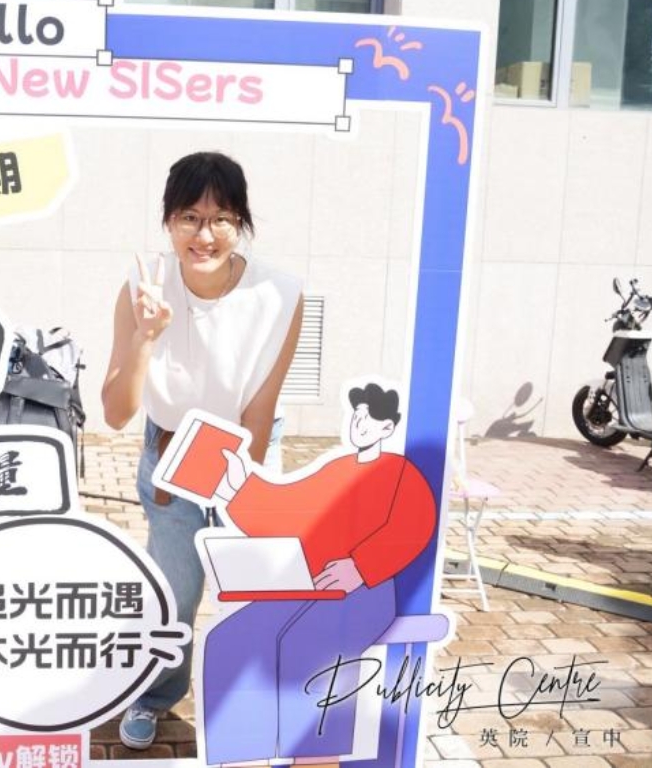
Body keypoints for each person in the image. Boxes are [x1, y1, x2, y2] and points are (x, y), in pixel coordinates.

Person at [101, 151, 304, 750]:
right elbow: (115, 412)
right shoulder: (143, 288)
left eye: (221, 219)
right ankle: (155, 693)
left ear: (241, 222)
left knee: (249, 590)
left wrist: (238, 494)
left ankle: (246, 702)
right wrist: (146, 335)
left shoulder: (279, 294)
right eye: (189, 217)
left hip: (247, 453)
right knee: (174, 592)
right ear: (168, 221)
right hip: (169, 457)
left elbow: (259, 411)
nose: (205, 234)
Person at [201, 383, 437, 764]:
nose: (359, 423)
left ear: (387, 428)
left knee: (310, 646)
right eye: (357, 415)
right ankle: (243, 754)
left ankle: (316, 760)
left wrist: (360, 566)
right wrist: (238, 488)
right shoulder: (337, 469)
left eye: (369, 418)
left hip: (367, 593)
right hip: (311, 586)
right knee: (230, 637)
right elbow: (289, 509)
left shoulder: (400, 473)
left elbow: (414, 523)